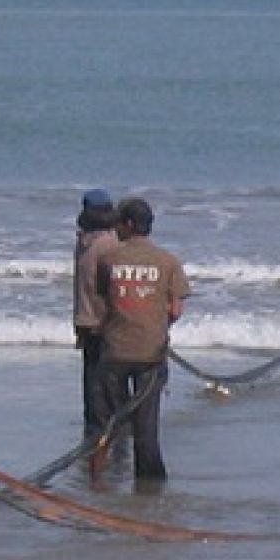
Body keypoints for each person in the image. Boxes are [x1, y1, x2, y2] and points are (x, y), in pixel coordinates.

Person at [91, 198, 190, 481]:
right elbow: (175, 310)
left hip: (114, 352)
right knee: (146, 427)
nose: (115, 228)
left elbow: (104, 301)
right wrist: (156, 325)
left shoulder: (108, 259)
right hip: (152, 353)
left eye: (119, 223)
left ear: (129, 225)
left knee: (108, 422)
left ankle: (97, 484)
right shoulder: (169, 261)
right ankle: (148, 485)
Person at [72, 188, 118, 435]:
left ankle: (97, 433)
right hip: (100, 321)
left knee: (95, 384)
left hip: (91, 320)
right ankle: (105, 434)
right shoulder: (105, 243)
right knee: (104, 385)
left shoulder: (88, 243)